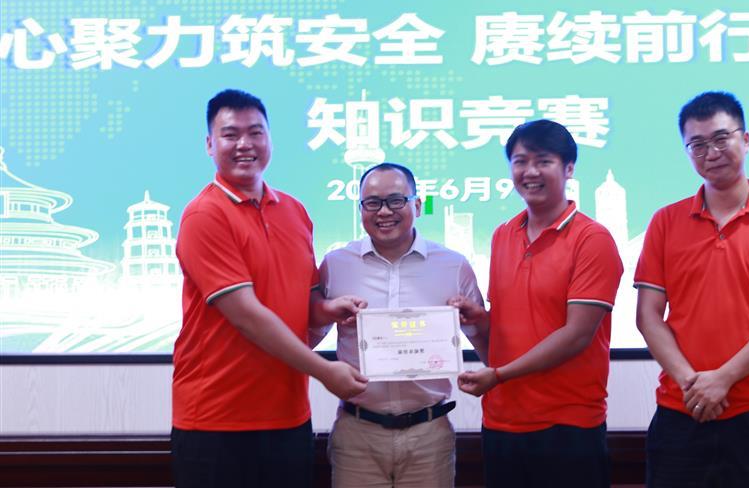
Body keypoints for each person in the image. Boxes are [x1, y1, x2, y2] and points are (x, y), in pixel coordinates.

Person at [171, 88, 368, 488]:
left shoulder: (294, 211)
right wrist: (325, 371)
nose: (244, 144)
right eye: (230, 134)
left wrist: (328, 309)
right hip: (216, 420)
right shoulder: (205, 215)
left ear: (270, 139)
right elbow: (247, 316)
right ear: (210, 145)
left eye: (255, 132)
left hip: (288, 414)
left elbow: (302, 301)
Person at [634, 91, 749, 488]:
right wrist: (692, 383)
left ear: (746, 140)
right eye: (697, 144)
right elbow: (648, 316)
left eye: (721, 138)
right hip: (681, 410)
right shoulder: (665, 222)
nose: (711, 152)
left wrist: (723, 378)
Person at [452, 119, 623, 488]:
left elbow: (576, 335)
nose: (530, 172)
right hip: (501, 423)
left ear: (569, 168)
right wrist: (478, 321)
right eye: (520, 161)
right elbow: (509, 329)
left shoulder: (592, 239)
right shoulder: (502, 235)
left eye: (543, 161)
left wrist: (498, 375)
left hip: (568, 426)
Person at [311, 162, 486, 488]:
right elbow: (308, 335)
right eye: (372, 203)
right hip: (357, 433)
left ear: (417, 205)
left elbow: (485, 343)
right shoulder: (336, 264)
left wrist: (477, 318)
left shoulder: (453, 266)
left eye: (395, 200)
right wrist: (324, 311)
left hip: (429, 435)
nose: (384, 211)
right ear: (360, 209)